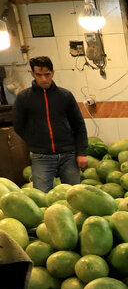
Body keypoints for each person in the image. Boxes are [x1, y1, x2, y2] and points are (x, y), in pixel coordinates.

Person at [13, 57, 86, 192]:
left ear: (53, 73)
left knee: (76, 194)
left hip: (68, 155)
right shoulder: (24, 97)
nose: (44, 79)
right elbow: (18, 125)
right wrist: (35, 142)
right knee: (41, 195)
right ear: (32, 74)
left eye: (47, 74)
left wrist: (81, 152)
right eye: (39, 75)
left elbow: (79, 125)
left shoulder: (65, 95)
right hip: (41, 157)